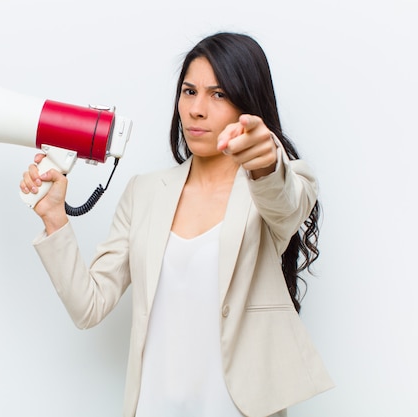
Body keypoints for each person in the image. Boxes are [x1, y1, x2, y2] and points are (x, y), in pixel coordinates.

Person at [20, 32, 333, 417]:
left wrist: (267, 164)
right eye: (189, 91)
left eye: (219, 95)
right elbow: (89, 305)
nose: (197, 109)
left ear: (247, 106)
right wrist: (55, 217)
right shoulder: (145, 192)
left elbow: (285, 203)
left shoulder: (270, 189)